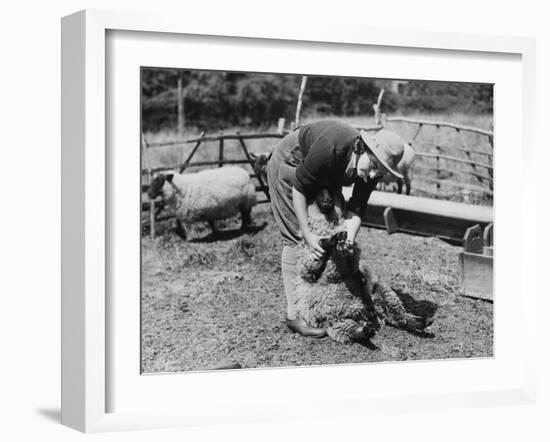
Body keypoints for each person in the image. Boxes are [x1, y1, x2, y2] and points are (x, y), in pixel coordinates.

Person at [266, 120, 406, 338]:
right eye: (373, 166)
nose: (372, 176)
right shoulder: (331, 148)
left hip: (325, 173)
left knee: (333, 229)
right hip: (292, 164)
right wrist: (307, 233)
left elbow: (357, 206)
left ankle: (322, 301)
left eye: (380, 172)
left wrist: (348, 238)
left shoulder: (370, 170)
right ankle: (295, 315)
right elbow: (300, 188)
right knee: (297, 239)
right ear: (363, 148)